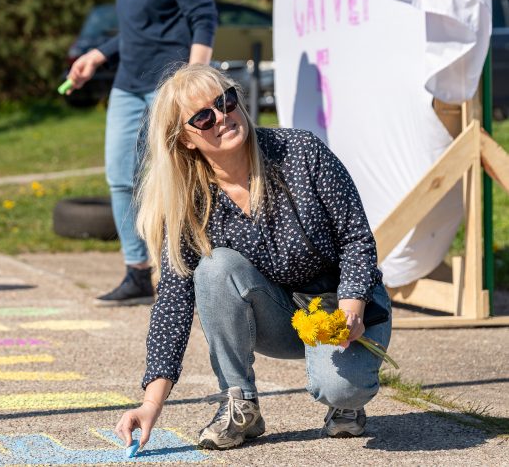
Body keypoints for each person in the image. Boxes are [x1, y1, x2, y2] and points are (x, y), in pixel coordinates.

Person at [114, 64, 391, 450]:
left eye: (226, 101)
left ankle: (346, 401)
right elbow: (173, 304)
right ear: (185, 140)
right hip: (280, 316)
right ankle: (239, 403)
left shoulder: (300, 151)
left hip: (345, 306)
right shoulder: (192, 204)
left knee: (342, 389)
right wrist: (150, 405)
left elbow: (356, 238)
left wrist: (352, 307)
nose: (222, 117)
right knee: (215, 268)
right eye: (203, 117)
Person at [66, 0, 217, 305]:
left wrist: (194, 83)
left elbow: (202, 16)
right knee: (120, 176)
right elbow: (137, 26)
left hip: (166, 85)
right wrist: (99, 53)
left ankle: (190, 269)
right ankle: (137, 272)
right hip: (127, 83)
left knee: (176, 177)